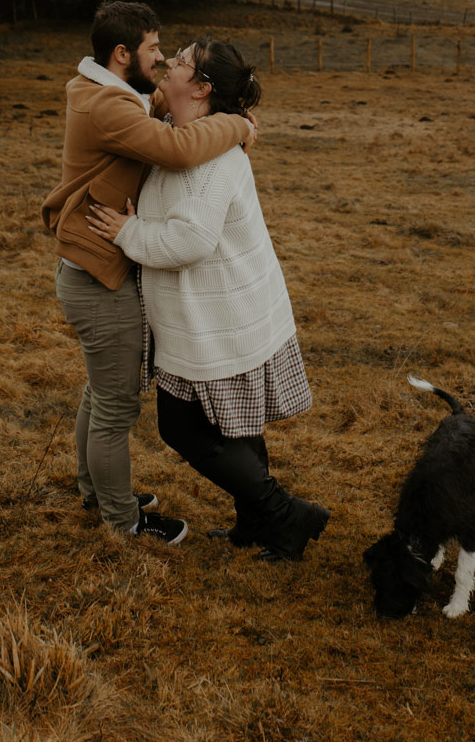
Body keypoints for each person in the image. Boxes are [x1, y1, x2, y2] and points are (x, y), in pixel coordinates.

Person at [88, 36, 328, 561]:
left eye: (180, 62)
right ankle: (258, 522)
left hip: (224, 315)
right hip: (200, 317)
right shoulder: (182, 134)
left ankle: (284, 514)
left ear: (201, 88)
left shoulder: (214, 159)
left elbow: (191, 240)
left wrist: (130, 232)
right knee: (230, 424)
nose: (169, 64)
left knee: (182, 427)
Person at [41, 2, 255, 545]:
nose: (161, 60)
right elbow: (176, 148)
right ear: (122, 54)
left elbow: (160, 105)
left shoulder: (114, 94)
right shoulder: (109, 108)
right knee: (116, 405)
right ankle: (123, 521)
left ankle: (97, 492)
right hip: (97, 278)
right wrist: (235, 125)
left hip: (90, 270)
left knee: (101, 392)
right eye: (153, 50)